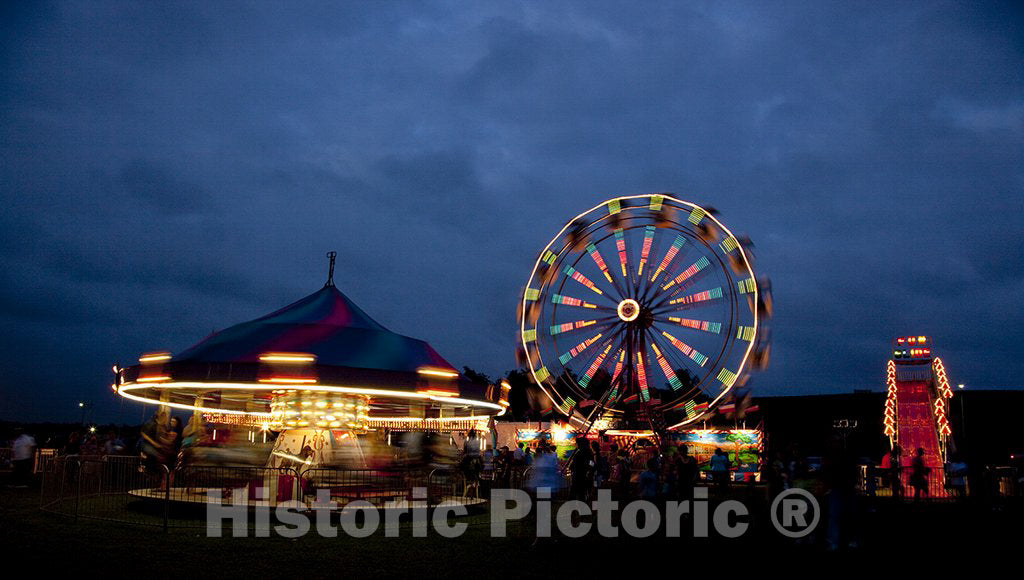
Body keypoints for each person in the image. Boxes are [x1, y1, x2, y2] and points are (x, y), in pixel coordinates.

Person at [568, 435, 594, 501]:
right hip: (581, 475)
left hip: (579, 475)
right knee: (579, 494)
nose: (576, 445)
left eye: (578, 443)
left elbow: (591, 464)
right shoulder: (588, 453)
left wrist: (588, 470)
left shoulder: (582, 453)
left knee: (576, 494)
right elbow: (591, 464)